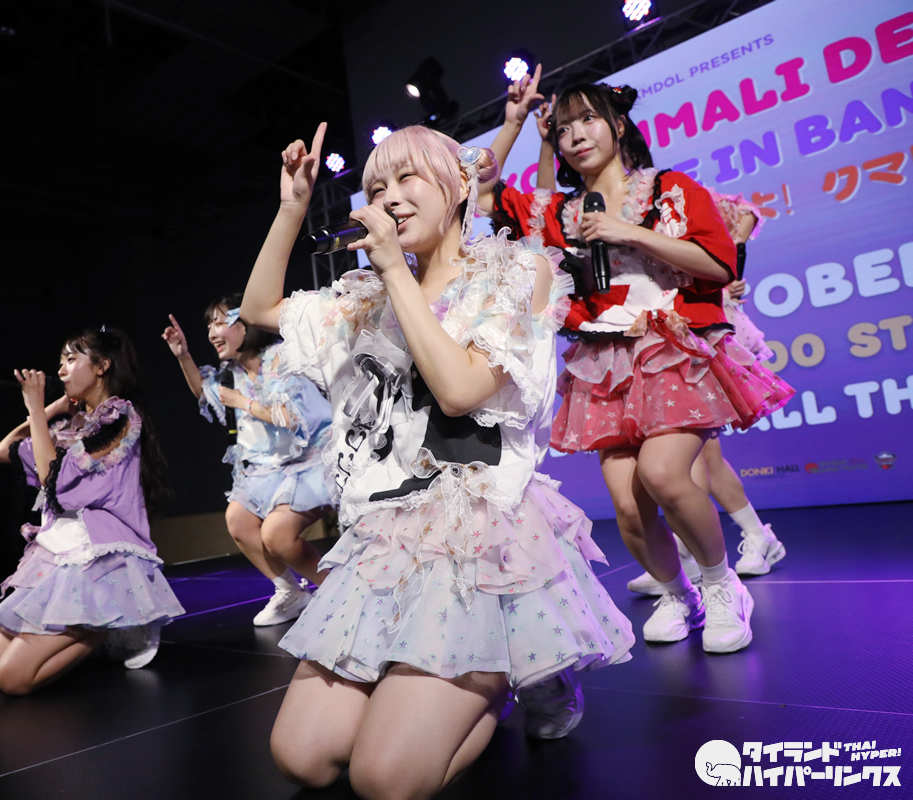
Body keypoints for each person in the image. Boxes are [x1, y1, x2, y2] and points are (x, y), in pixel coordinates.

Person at [241, 120, 634, 799]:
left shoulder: (515, 270)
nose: (388, 198)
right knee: (300, 758)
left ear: (459, 185)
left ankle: (511, 677)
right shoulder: (367, 297)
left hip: (474, 527)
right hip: (384, 534)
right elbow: (259, 308)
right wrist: (291, 208)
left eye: (407, 178)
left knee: (385, 780)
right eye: (375, 189)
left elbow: (459, 391)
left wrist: (394, 270)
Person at [483, 74, 794, 654]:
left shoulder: (670, 189)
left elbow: (719, 265)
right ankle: (680, 595)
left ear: (618, 125)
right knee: (627, 506)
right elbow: (479, 191)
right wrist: (515, 123)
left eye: (588, 120)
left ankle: (723, 587)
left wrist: (628, 232)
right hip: (604, 358)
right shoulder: (558, 212)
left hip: (671, 348)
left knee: (665, 474)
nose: (576, 136)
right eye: (564, 128)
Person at [0, 327, 184, 694]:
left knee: (12, 679)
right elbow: (0, 452)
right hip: (60, 550)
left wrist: (35, 409)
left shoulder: (119, 418)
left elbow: (50, 479)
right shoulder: (68, 427)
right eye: (60, 362)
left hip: (98, 556)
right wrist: (52, 409)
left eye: (71, 359)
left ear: (102, 366)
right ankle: (104, 624)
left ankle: (111, 623)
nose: (61, 370)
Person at [628, 192, 787, 593]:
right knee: (695, 458)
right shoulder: (632, 206)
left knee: (703, 456)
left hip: (699, 330)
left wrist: (734, 262)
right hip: (663, 332)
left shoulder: (681, 195)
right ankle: (698, 550)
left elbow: (744, 216)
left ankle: (749, 539)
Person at [162, 295, 333, 626]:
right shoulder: (231, 374)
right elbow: (205, 393)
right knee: (238, 519)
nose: (212, 332)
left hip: (312, 460)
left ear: (246, 325)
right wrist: (183, 355)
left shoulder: (281, 359)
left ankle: (337, 593)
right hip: (271, 468)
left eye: (219, 322)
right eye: (209, 326)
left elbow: (293, 417)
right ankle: (290, 591)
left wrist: (244, 403)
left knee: (277, 535)